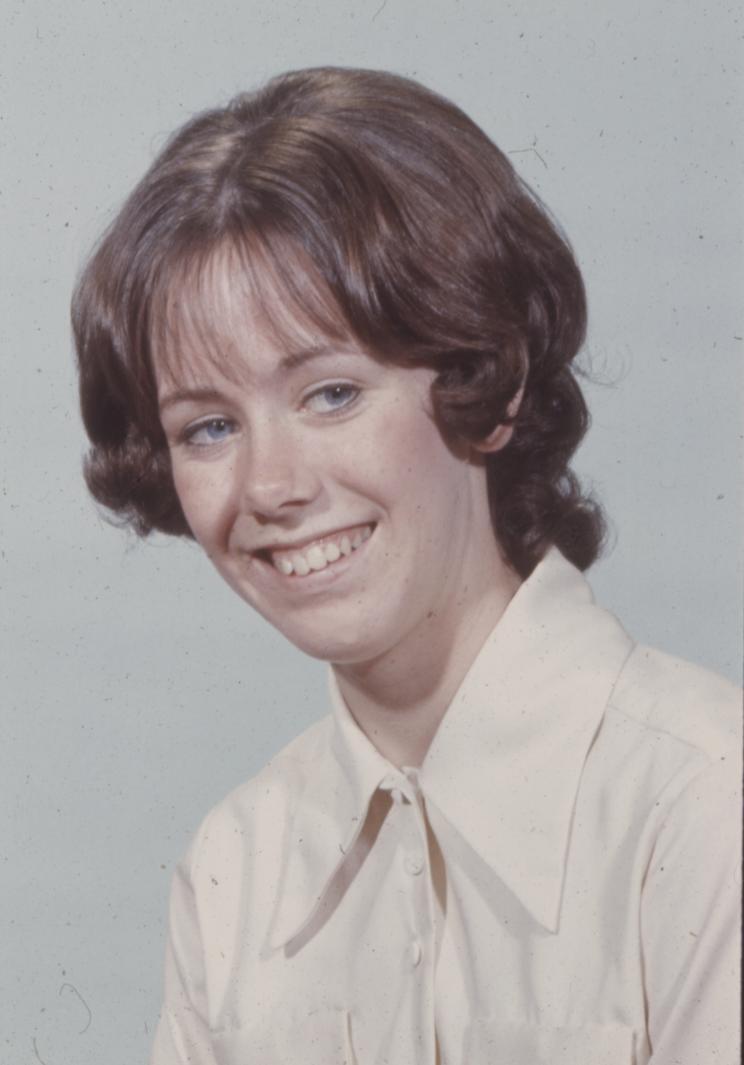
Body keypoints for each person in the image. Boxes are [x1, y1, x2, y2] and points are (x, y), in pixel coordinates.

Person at [71, 67, 741, 1065]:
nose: (270, 486)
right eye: (209, 426)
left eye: (332, 394)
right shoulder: (234, 870)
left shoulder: (705, 805)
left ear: (491, 385)